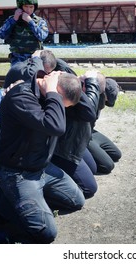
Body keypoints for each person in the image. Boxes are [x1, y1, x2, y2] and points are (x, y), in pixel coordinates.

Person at [0, 54, 85, 243]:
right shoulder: (21, 96)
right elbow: (56, 126)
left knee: (77, 201)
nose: (61, 109)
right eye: (59, 102)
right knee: (45, 233)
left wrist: (53, 91)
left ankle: (24, 200)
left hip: (41, 167)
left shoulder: (46, 91)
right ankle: (2, 198)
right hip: (18, 172)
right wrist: (52, 93)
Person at [52, 69, 104, 199]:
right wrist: (91, 82)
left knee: (93, 168)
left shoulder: (68, 90)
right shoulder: (60, 93)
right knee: (89, 189)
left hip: (74, 143)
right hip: (63, 149)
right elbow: (90, 112)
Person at [0, 0, 49, 65]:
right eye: (26, 6)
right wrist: (14, 20)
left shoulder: (39, 21)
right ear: (20, 6)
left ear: (34, 7)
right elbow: (1, 35)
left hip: (34, 58)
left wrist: (30, 22)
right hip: (17, 59)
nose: (28, 10)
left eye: (31, 7)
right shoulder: (12, 20)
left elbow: (42, 37)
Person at [87, 78, 122, 174]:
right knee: (107, 166)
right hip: (82, 136)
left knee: (116, 155)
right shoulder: (89, 98)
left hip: (91, 132)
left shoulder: (100, 101)